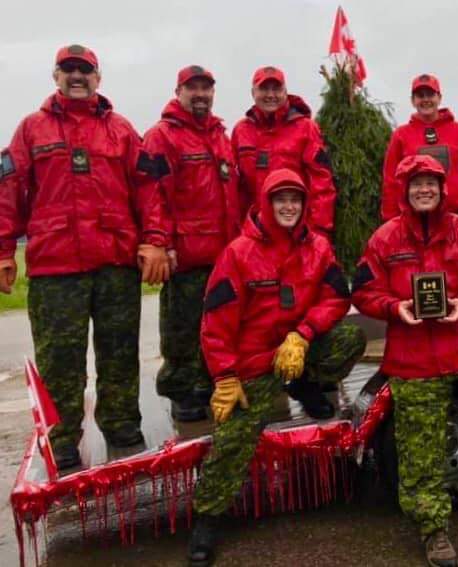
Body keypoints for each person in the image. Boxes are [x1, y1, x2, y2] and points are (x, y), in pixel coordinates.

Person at [0, 44, 170, 469]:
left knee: (119, 351)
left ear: (98, 78)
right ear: (55, 76)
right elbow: (8, 192)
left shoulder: (122, 130)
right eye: (68, 69)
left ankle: (121, 424)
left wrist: (153, 240)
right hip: (55, 269)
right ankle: (62, 439)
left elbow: (149, 190)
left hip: (114, 264)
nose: (77, 76)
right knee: (60, 361)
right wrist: (3, 250)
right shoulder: (30, 130)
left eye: (85, 70)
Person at [188, 168, 366, 565]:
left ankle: (303, 383)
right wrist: (225, 376)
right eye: (281, 199)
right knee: (234, 439)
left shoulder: (318, 248)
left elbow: (337, 298)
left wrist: (302, 334)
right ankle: (207, 517)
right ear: (266, 204)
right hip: (252, 364)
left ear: (304, 205)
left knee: (350, 340)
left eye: (296, 199)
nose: (289, 206)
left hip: (297, 349)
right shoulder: (238, 253)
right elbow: (215, 323)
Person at [353, 154, 458, 567]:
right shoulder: (384, 240)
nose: (424, 190)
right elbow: (362, 292)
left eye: (431, 183)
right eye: (416, 184)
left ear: (443, 190)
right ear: (404, 192)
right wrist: (395, 308)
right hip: (414, 359)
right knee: (419, 451)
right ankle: (433, 527)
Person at [143, 65, 240, 422]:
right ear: (178, 91)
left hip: (223, 254)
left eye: (206, 88)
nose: (200, 94)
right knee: (182, 327)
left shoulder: (219, 136)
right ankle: (181, 390)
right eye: (193, 88)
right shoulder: (162, 136)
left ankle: (207, 383)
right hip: (184, 256)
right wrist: (160, 243)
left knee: (217, 325)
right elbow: (153, 194)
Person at [232, 66, 336, 237]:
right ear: (253, 92)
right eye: (264, 89)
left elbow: (322, 183)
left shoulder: (306, 128)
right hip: (255, 233)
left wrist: (318, 231)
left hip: (294, 230)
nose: (271, 95)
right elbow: (234, 187)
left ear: (285, 91)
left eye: (276, 89)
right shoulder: (240, 131)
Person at [381, 73, 458, 223]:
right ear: (413, 101)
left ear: (439, 98)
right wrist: (390, 219)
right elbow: (391, 181)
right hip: (417, 219)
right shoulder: (400, 135)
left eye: (430, 94)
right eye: (420, 95)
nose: (426, 100)